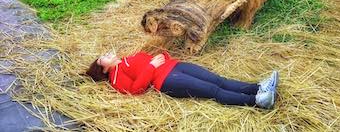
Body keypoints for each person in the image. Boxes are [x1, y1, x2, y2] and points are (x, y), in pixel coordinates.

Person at [86, 51, 279, 109]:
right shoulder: (115, 77)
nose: (106, 53)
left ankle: (258, 87)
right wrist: (152, 66)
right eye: (102, 57)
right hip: (168, 81)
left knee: (218, 80)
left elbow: (151, 61)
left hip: (175, 66)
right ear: (102, 68)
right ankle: (258, 101)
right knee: (212, 91)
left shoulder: (128, 58)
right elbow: (136, 89)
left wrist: (162, 56)